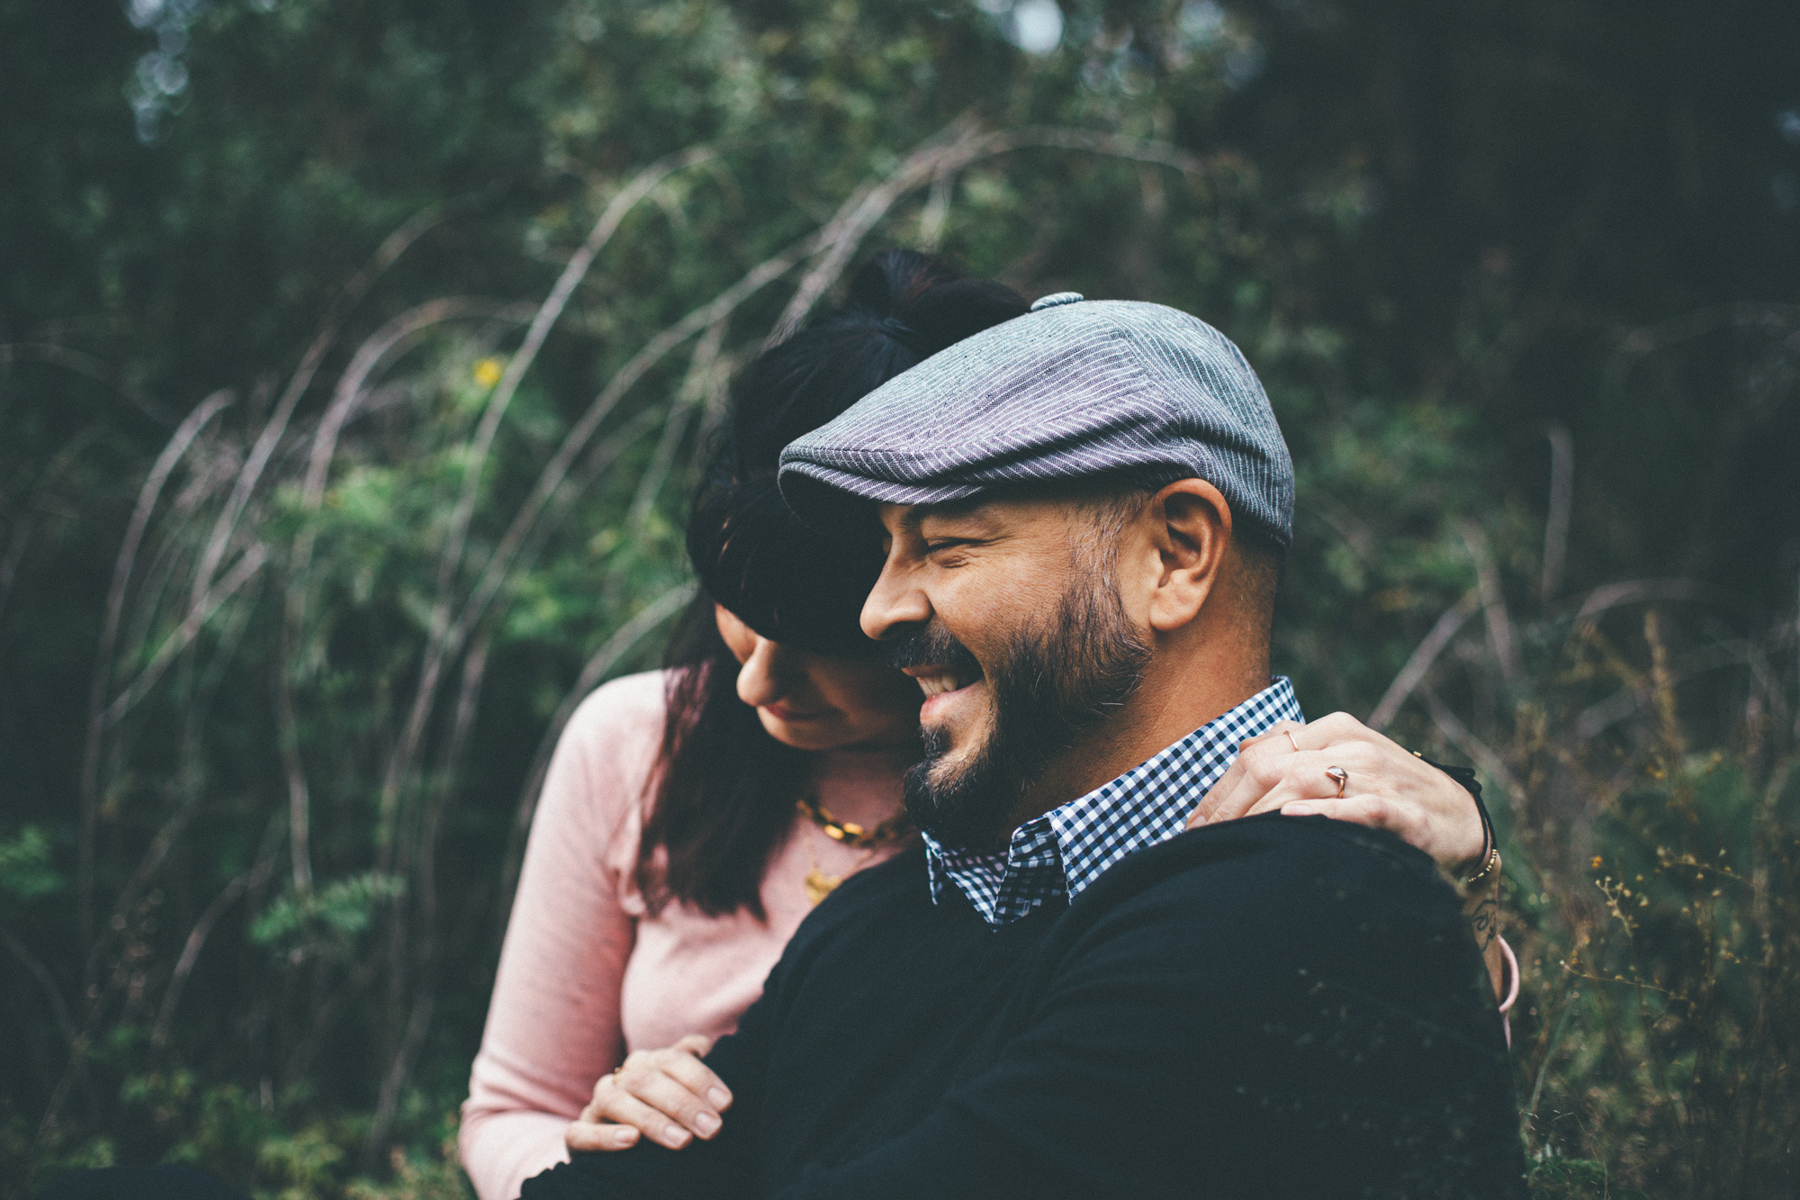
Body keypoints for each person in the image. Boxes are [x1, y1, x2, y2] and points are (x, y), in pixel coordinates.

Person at [462, 257, 1508, 1200]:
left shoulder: (1310, 901)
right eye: (883, 550)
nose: (877, 614)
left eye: (949, 542)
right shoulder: (869, 929)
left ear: (1177, 555)